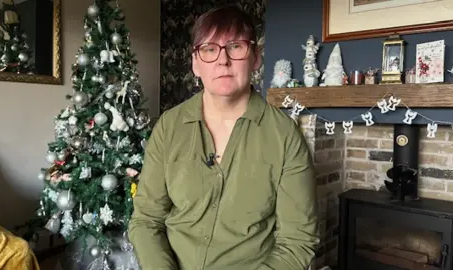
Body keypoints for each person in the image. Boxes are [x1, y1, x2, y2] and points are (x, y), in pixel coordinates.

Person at [128, 5, 319, 270]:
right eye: (209, 49)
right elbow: (146, 221)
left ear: (255, 57)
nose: (222, 60)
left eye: (235, 46)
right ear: (195, 64)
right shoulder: (169, 127)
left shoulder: (285, 136)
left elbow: (297, 241)